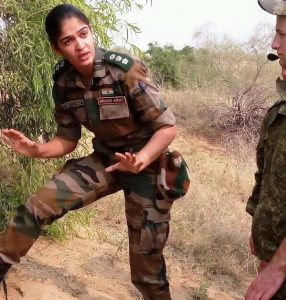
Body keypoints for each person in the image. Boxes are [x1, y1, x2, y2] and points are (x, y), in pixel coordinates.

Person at [0, 4, 186, 300]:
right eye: (68, 41)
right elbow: (67, 139)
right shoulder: (62, 82)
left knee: (146, 270)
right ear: (56, 49)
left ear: (91, 32)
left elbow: (167, 127)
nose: (80, 45)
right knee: (36, 207)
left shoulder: (124, 69)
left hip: (146, 166)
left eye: (83, 34)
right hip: (106, 160)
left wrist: (141, 160)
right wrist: (36, 150)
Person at [246, 1, 286, 299]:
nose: (274, 43)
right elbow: (267, 177)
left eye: (282, 34)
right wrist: (260, 230)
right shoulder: (284, 109)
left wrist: (280, 264)